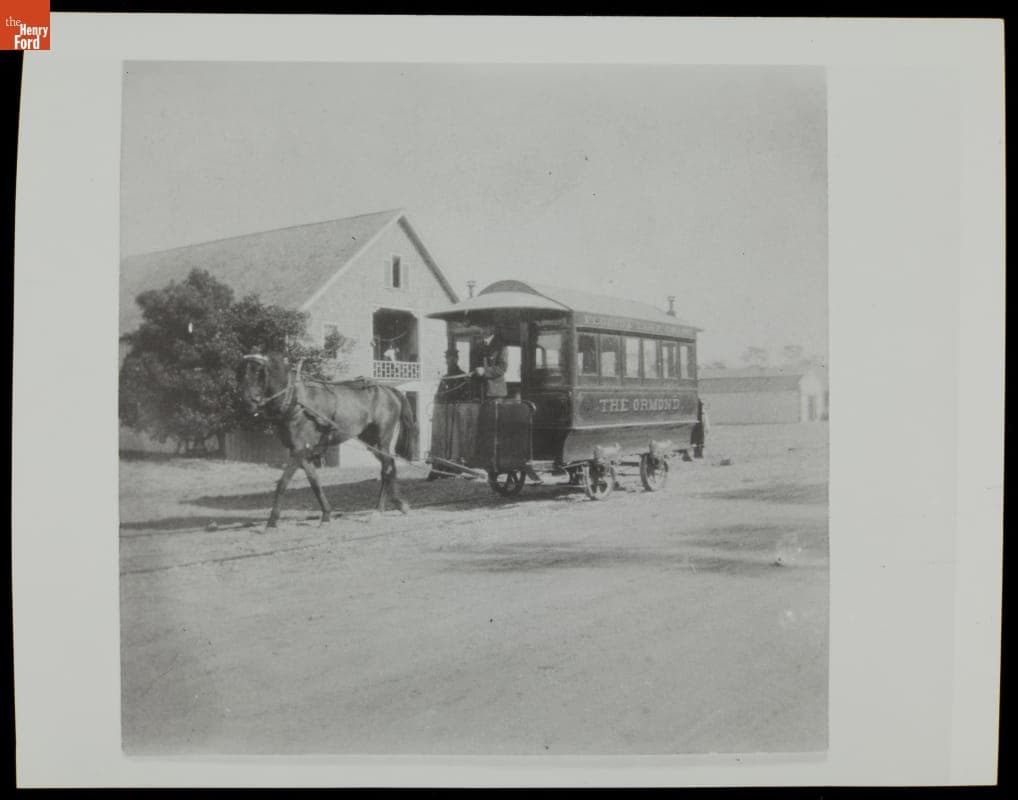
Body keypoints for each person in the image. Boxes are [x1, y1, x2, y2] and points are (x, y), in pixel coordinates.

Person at [471, 325, 508, 400]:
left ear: (492, 328)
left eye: (485, 327)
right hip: (480, 391)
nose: (482, 331)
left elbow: (502, 368)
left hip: (495, 393)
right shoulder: (478, 346)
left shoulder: (501, 346)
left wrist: (485, 371)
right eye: (481, 328)